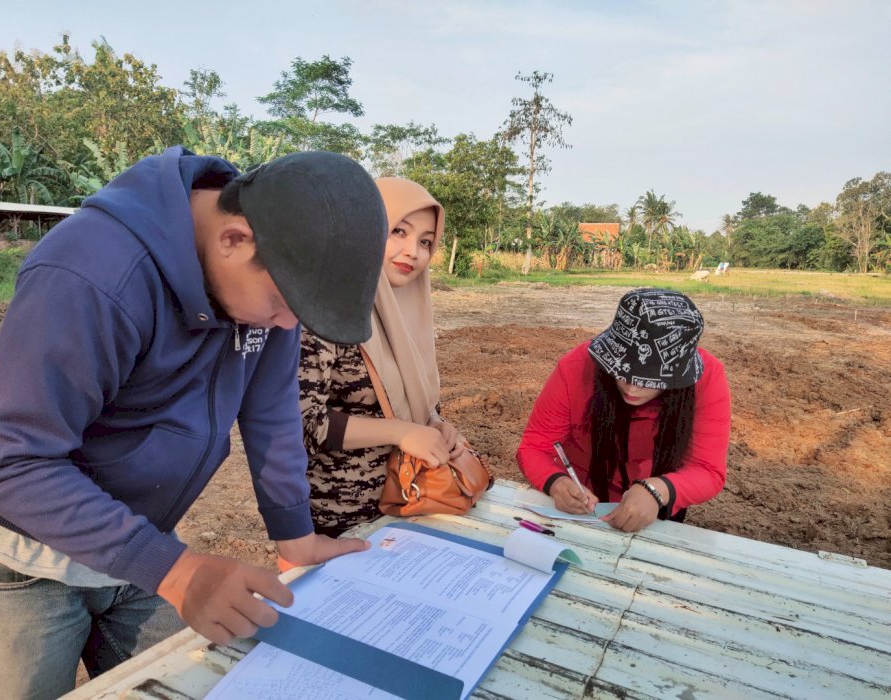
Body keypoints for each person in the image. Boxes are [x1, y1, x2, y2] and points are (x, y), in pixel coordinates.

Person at [0, 147, 388, 698]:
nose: (287, 325)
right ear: (234, 240)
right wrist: (178, 572)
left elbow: (272, 411)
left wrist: (295, 536)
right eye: (283, 305)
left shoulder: (275, 281)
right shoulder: (93, 273)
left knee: (192, 685)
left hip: (137, 535)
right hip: (14, 554)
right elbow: (9, 459)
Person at [299, 177, 465, 537]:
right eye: (398, 231)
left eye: (425, 241)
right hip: (337, 520)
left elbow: (408, 398)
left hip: (411, 503)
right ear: (364, 229)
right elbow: (302, 423)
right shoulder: (326, 314)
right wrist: (402, 432)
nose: (413, 252)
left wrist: (434, 424)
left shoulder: (408, 312)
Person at [517, 288, 730, 532]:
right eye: (622, 371)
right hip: (584, 504)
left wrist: (658, 490)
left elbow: (707, 469)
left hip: (659, 503)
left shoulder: (707, 379)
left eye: (649, 380)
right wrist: (556, 483)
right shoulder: (576, 368)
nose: (632, 387)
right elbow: (534, 447)